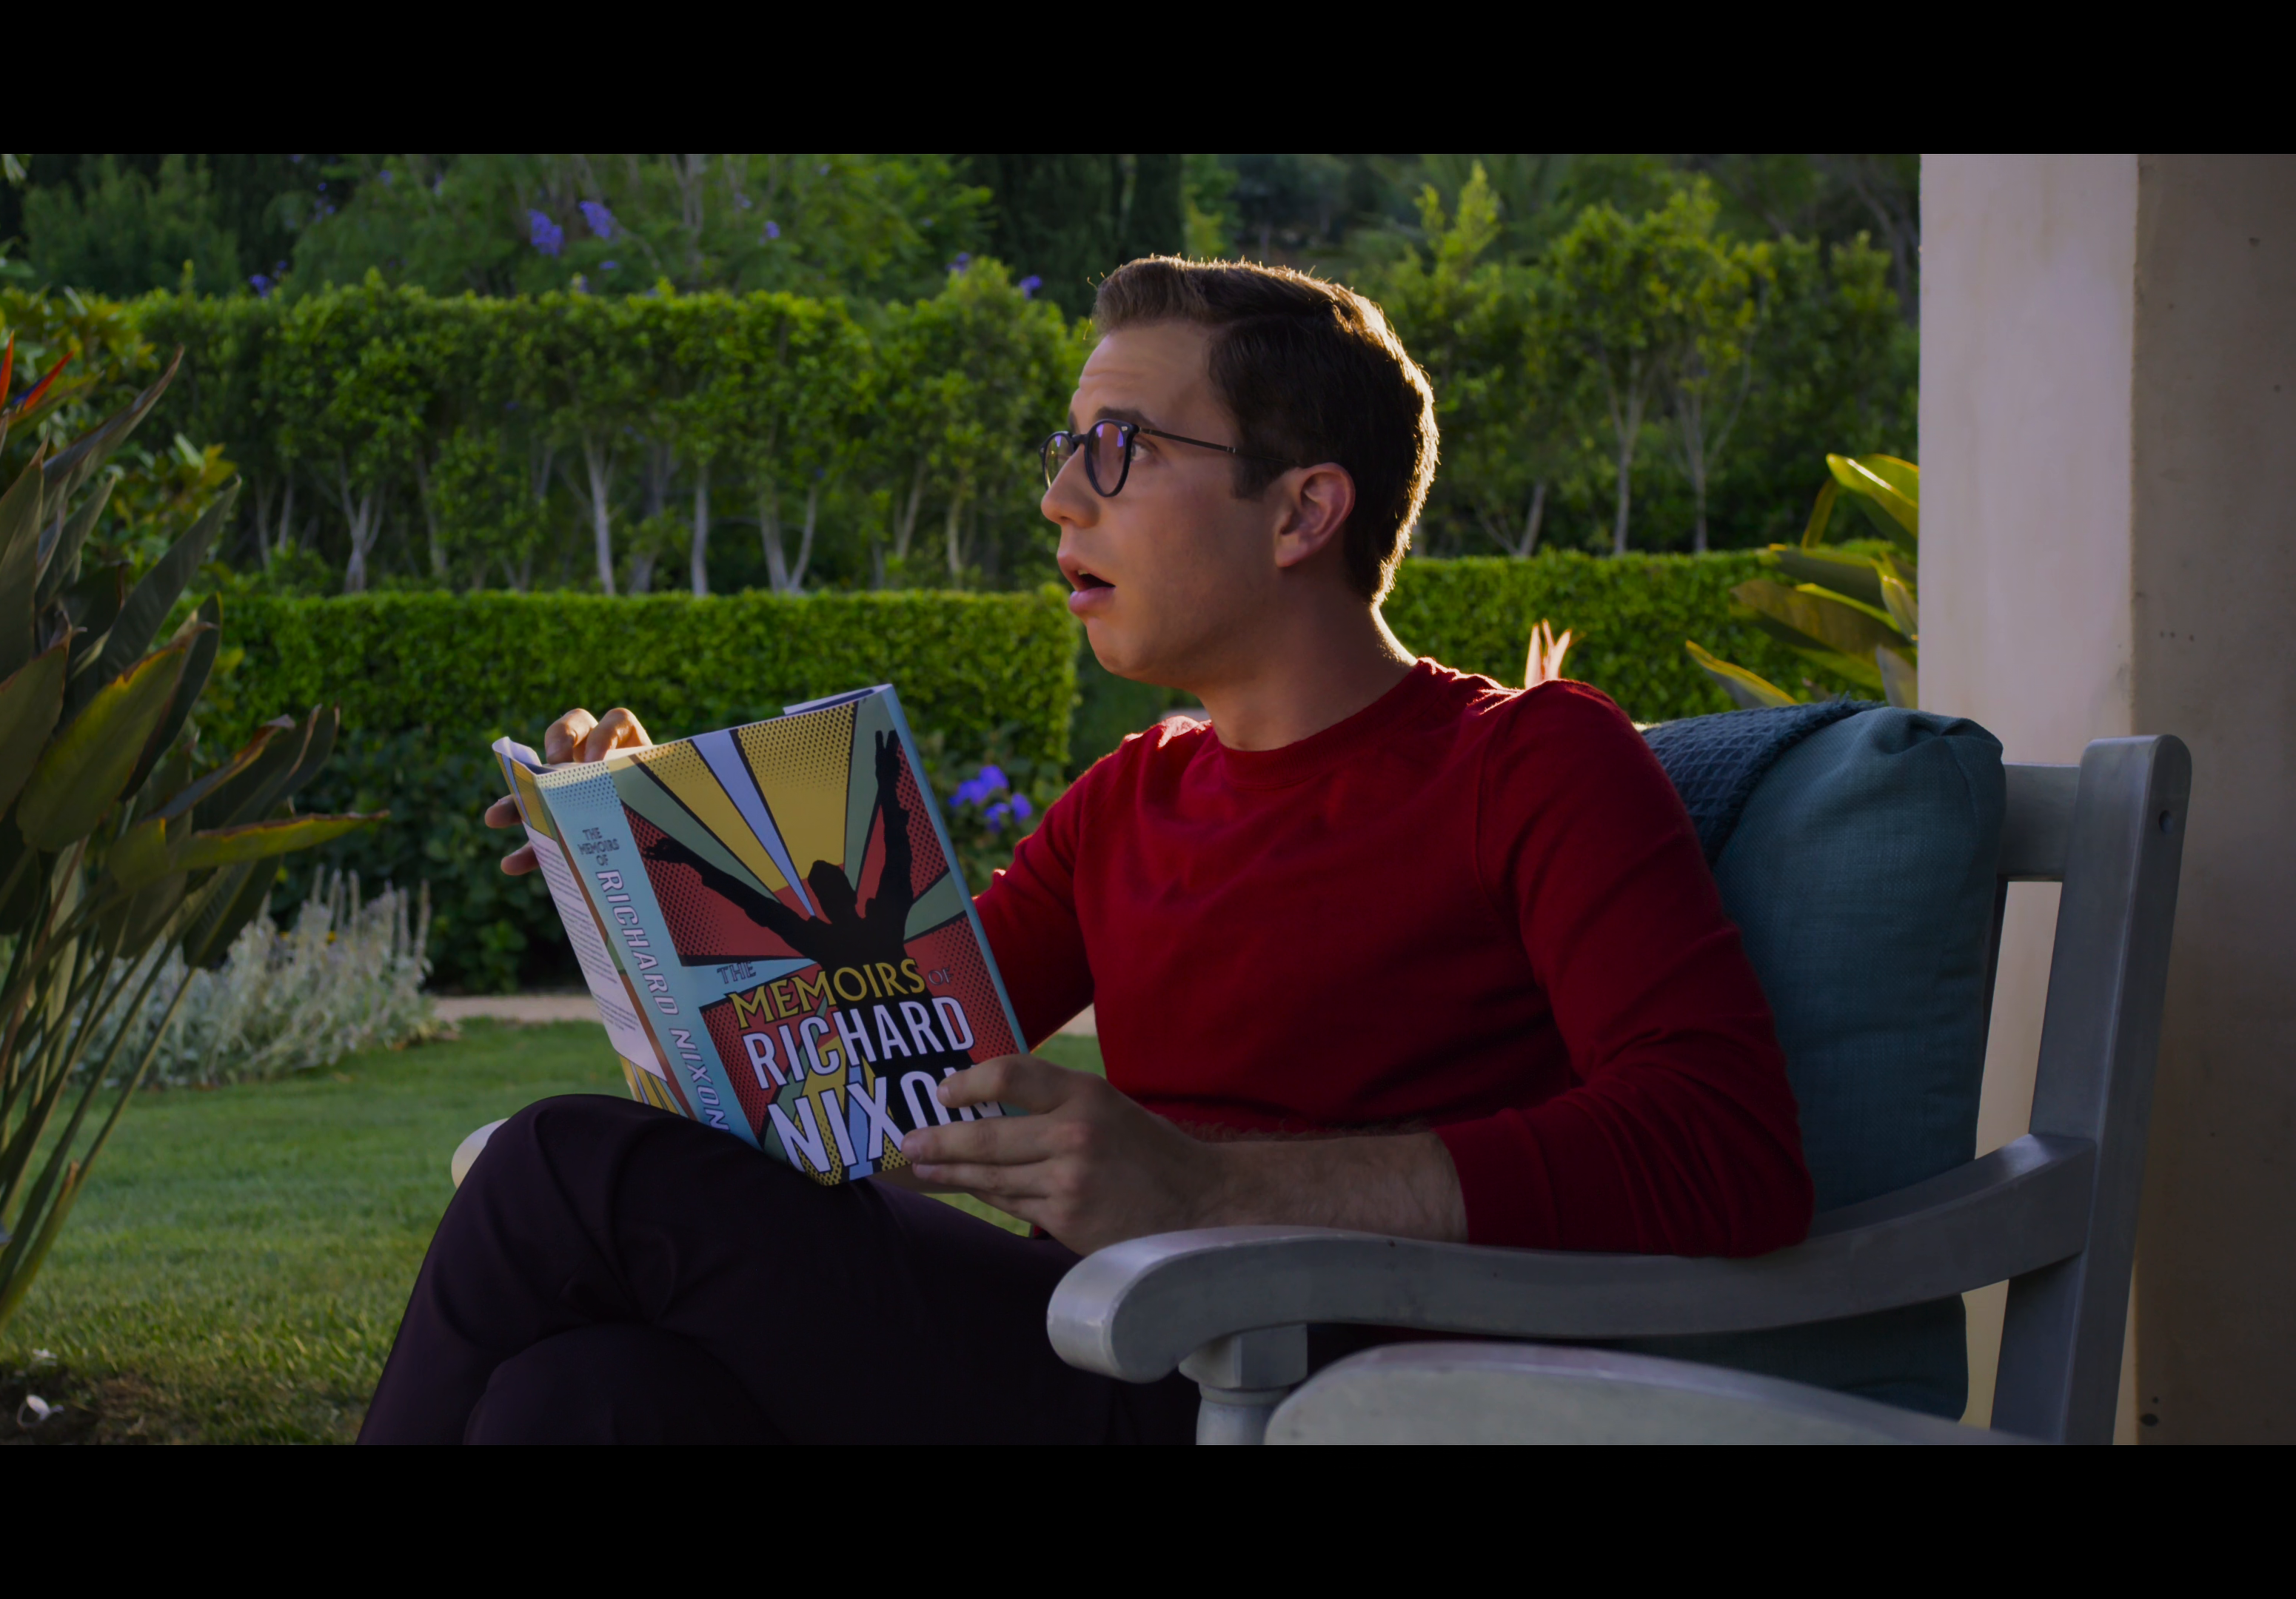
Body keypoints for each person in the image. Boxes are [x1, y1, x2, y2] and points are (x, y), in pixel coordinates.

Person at [358, 257, 1813, 1444]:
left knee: (563, 1168)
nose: (1062, 497)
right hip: (1075, 1354)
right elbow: (889, 1059)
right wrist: (652, 863)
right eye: (1068, 451)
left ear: (1303, 509)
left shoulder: (1530, 760)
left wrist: (1214, 1192)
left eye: (1121, 449)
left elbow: (1724, 1150)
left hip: (1281, 1385)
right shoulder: (1134, 797)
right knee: (588, 1400)